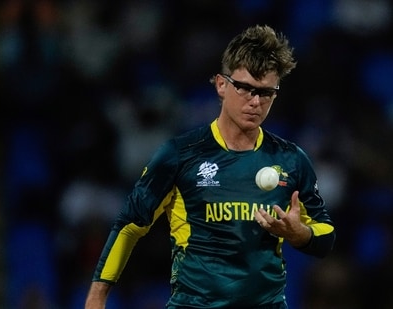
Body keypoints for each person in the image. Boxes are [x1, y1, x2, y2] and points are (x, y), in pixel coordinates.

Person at [85, 24, 336, 309]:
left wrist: (300, 234)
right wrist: (97, 296)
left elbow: (326, 235)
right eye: (244, 88)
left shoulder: (291, 159)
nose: (255, 102)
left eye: (265, 93)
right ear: (221, 84)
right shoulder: (180, 155)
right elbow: (130, 225)